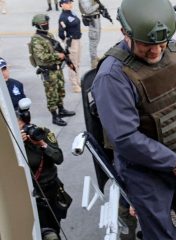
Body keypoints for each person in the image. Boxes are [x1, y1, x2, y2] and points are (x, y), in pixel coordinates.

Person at [91, 0, 176, 239]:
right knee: (161, 235)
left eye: (161, 43)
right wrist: (172, 163)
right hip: (143, 168)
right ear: (125, 33)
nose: (156, 51)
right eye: (146, 45)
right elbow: (125, 137)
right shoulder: (113, 76)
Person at [16, 100, 72, 240]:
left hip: (52, 190)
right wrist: (18, 144)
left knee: (55, 228)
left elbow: (59, 158)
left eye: (24, 126)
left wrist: (42, 144)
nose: (24, 129)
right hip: (34, 194)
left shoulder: (43, 133)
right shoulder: (15, 143)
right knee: (45, 233)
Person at [29, 14, 76, 126]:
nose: (47, 26)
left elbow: (56, 48)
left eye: (47, 23)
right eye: (44, 24)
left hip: (57, 69)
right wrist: (57, 56)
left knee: (60, 90)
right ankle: (55, 116)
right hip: (49, 71)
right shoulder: (36, 40)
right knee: (51, 94)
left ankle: (61, 109)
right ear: (38, 25)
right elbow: (41, 56)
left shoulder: (48, 35)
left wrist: (65, 58)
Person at [58, 0, 82, 93]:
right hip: (72, 42)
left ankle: (78, 80)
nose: (70, 4)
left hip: (78, 40)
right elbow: (61, 33)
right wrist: (66, 42)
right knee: (72, 64)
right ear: (61, 5)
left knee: (78, 62)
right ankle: (74, 85)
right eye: (67, 3)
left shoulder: (72, 13)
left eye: (70, 2)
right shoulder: (63, 17)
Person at [78, 0, 101, 68]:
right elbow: (88, 10)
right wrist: (98, 5)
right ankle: (93, 60)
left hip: (96, 20)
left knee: (96, 40)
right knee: (93, 40)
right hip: (92, 21)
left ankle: (95, 56)